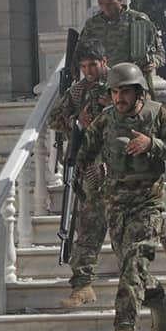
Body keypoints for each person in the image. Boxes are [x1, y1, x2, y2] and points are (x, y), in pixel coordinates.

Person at [76, 62, 166, 331]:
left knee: (134, 262)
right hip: (115, 203)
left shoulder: (157, 114)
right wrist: (87, 182)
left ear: (138, 92)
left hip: (148, 201)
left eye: (124, 92)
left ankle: (123, 329)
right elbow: (84, 154)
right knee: (130, 266)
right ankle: (159, 298)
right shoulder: (106, 119)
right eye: (114, 92)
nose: (118, 98)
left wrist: (153, 145)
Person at [48, 39, 112, 308]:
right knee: (87, 228)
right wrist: (77, 121)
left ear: (104, 62)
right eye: (84, 66)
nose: (88, 71)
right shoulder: (77, 92)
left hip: (123, 169)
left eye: (93, 65)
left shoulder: (122, 83)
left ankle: (151, 292)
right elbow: (55, 118)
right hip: (91, 170)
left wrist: (111, 108)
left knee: (129, 235)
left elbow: (143, 114)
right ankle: (82, 284)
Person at [78, 0, 166, 97]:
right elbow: (80, 54)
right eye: (101, 4)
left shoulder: (138, 21)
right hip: (101, 89)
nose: (105, 8)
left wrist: (153, 62)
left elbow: (160, 53)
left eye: (110, 4)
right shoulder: (92, 24)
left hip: (131, 84)